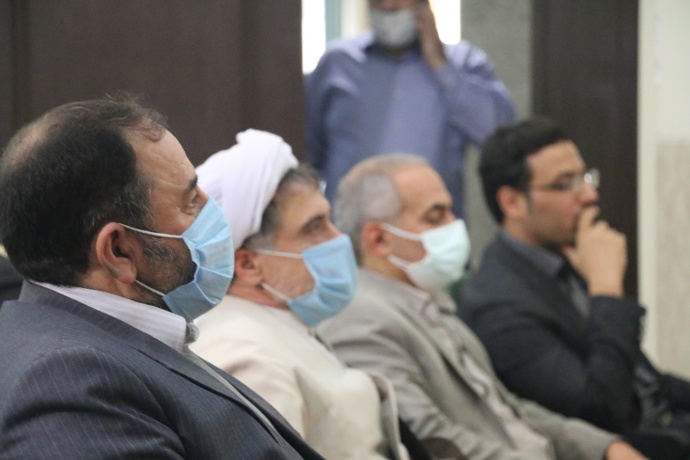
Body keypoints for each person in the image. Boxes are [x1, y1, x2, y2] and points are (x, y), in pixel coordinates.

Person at [0, 96, 324, 459]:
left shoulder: (101, 339)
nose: (213, 210)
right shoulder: (67, 382)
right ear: (119, 251)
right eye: (190, 201)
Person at [317, 153, 646, 460]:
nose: (454, 225)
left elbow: (504, 407)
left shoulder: (429, 302)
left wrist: (605, 447)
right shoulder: (360, 319)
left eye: (451, 211)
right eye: (436, 216)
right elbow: (428, 438)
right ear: (379, 240)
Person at [461, 118, 690, 459]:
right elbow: (602, 413)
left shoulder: (563, 256)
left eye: (585, 177)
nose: (589, 195)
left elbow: (646, 380)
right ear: (512, 203)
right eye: (565, 184)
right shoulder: (497, 304)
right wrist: (607, 290)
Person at [190, 129, 424, 460]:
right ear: (248, 265)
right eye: (314, 227)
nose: (338, 238)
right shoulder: (248, 356)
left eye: (329, 220)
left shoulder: (276, 323)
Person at [305, 0, 514, 217]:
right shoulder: (337, 62)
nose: (389, 5)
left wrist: (441, 65)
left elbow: (496, 135)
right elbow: (309, 150)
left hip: (433, 225)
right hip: (350, 226)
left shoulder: (463, 61)